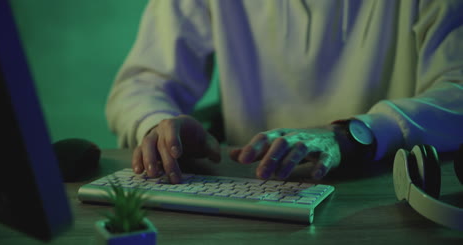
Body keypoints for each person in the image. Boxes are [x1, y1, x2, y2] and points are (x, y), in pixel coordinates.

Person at [106, 0, 463, 184]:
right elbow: (140, 84)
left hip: (386, 198)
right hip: (252, 196)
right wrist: (159, 126)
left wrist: (354, 133)